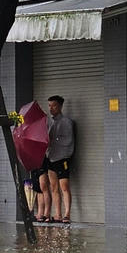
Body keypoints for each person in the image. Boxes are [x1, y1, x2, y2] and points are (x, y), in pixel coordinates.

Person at [44, 95, 74, 224]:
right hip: (51, 158)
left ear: (60, 106)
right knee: (54, 187)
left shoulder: (66, 122)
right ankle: (58, 214)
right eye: (49, 105)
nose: (51, 108)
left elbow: (68, 140)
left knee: (64, 187)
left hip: (63, 158)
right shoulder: (48, 122)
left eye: (54, 105)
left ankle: (67, 214)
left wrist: (53, 139)